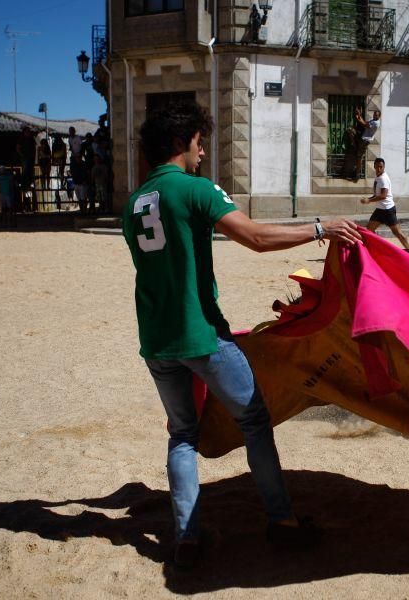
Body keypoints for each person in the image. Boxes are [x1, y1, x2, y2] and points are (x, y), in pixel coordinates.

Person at [122, 100, 361, 569]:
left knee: (183, 435)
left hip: (156, 339)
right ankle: (283, 523)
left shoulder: (133, 202)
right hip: (203, 334)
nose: (203, 152)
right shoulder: (194, 189)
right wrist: (321, 228)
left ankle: (187, 539)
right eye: (199, 142)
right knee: (254, 421)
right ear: (180, 142)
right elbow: (254, 237)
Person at [360, 158, 409, 249]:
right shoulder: (378, 177)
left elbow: (383, 196)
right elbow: (377, 195)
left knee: (397, 233)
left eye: (381, 167)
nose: (379, 169)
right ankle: (375, 249)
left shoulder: (383, 179)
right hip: (380, 209)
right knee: (369, 230)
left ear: (384, 167)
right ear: (374, 166)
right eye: (377, 167)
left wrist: (368, 200)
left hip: (388, 210)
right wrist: (368, 199)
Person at [342, 108, 380, 181]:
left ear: (379, 116)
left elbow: (364, 124)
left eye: (376, 115)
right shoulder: (373, 120)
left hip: (365, 141)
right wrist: (359, 115)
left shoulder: (376, 123)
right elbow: (365, 122)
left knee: (359, 158)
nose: (375, 115)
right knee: (351, 130)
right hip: (362, 139)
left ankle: (357, 175)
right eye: (374, 114)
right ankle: (354, 144)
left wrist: (358, 117)